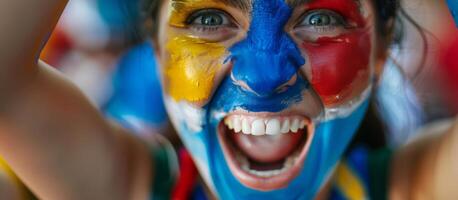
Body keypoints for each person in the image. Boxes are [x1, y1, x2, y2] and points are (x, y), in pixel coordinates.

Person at [0, 0, 457, 199]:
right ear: (158, 53)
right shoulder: (129, 188)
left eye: (319, 18)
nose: (263, 77)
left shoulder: (415, 189)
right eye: (208, 17)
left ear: (380, 51)